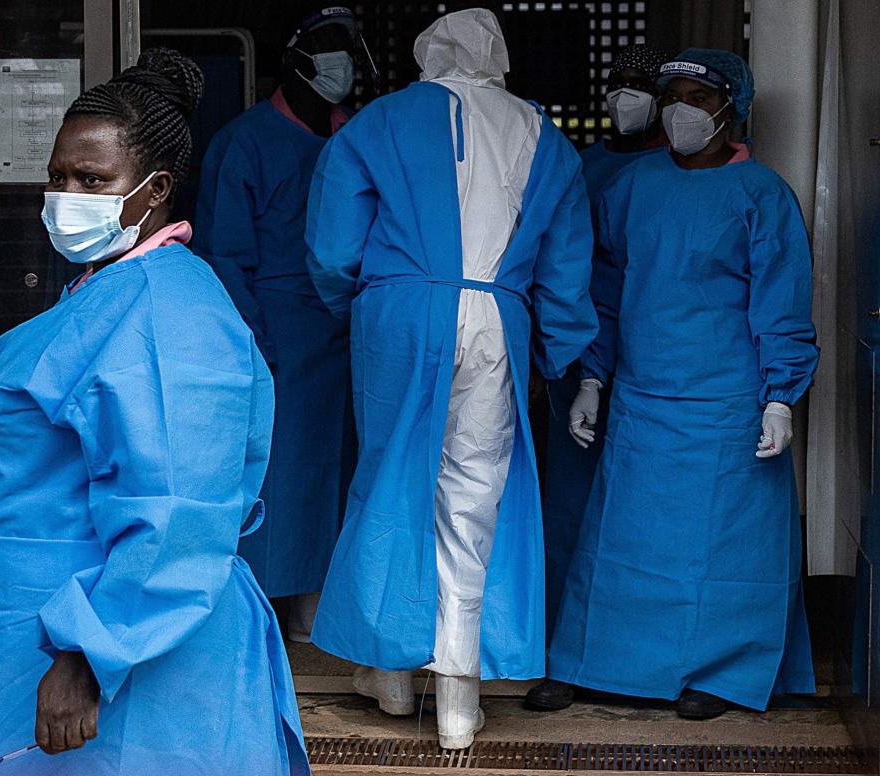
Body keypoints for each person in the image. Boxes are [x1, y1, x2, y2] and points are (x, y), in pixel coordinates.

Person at [0, 49, 310, 775]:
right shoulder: (108, 290)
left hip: (123, 647)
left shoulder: (166, 315)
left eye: (92, 180)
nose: (66, 195)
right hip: (59, 626)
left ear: (154, 189)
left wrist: (91, 654)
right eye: (58, 177)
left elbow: (176, 507)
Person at [304, 9, 597, 749]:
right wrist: (559, 352)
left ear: (428, 55)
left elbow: (334, 248)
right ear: (496, 56)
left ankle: (394, 678)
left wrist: (366, 305)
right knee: (472, 500)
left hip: (400, 310)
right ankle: (459, 700)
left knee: (391, 481)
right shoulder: (545, 137)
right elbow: (566, 270)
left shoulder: (376, 123)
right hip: (498, 315)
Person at [528, 48, 819, 721]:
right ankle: (592, 663)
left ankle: (720, 672)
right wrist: (591, 379)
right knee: (619, 540)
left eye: (696, 96)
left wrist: (780, 396)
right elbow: (602, 291)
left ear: (729, 109)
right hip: (640, 397)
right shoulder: (632, 187)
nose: (679, 109)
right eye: (672, 96)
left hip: (726, 403)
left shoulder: (761, 195)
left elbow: (782, 300)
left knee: (721, 543)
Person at [196, 5, 369, 640]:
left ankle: (319, 606)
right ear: (293, 58)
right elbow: (225, 258)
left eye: (348, 48)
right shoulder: (244, 143)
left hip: (346, 334)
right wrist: (254, 343)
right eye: (326, 46)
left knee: (342, 473)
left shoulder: (354, 139)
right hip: (277, 341)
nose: (339, 61)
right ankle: (262, 613)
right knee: (280, 473)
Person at [541, 44, 669, 633]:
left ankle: (630, 633)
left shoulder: (681, 177)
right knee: (572, 496)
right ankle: (568, 630)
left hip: (656, 358)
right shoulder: (576, 165)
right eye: (616, 84)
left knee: (645, 501)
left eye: (639, 85)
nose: (625, 96)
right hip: (575, 350)